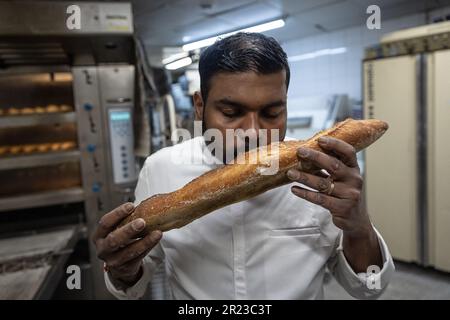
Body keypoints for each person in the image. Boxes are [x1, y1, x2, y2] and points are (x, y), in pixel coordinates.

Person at [92, 32, 394, 299]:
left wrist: (358, 226)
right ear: (200, 107)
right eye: (231, 111)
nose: (253, 131)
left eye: (272, 112)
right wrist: (122, 269)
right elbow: (134, 281)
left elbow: (367, 287)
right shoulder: (161, 169)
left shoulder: (324, 173)